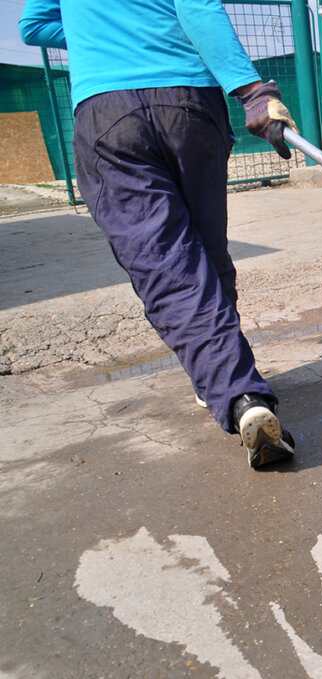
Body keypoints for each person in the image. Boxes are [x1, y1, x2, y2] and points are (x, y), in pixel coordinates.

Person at [20, 0, 298, 468]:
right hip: (188, 99)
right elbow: (197, 7)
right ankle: (225, 376)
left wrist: (100, 34)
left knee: (169, 263)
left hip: (107, 111)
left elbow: (35, 26)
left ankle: (236, 391)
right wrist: (251, 89)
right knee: (206, 253)